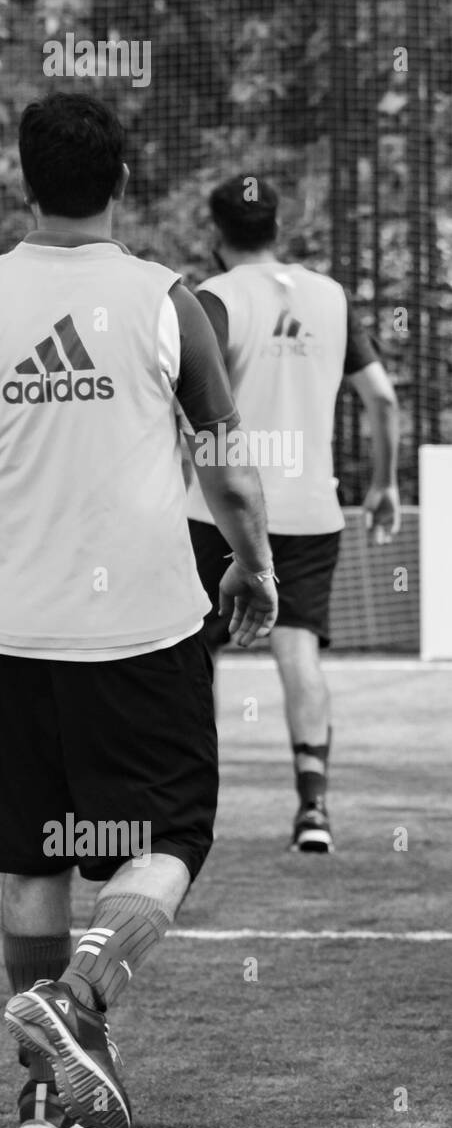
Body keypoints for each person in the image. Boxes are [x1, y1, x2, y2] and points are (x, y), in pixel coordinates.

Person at [0, 93, 278, 1128]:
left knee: (32, 860)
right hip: (144, 635)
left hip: (15, 639)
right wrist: (253, 565)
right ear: (123, 178)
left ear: (24, 180)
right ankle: (79, 997)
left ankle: (41, 1097)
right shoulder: (165, 299)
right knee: (171, 835)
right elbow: (227, 472)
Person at [185, 175, 401, 853]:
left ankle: (193, 807)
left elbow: (183, 403)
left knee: (195, 653)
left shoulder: (212, 298)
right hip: (310, 508)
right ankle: (313, 808)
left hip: (217, 510)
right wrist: (384, 484)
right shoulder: (331, 297)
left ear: (215, 235)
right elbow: (384, 401)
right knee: (299, 648)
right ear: (281, 226)